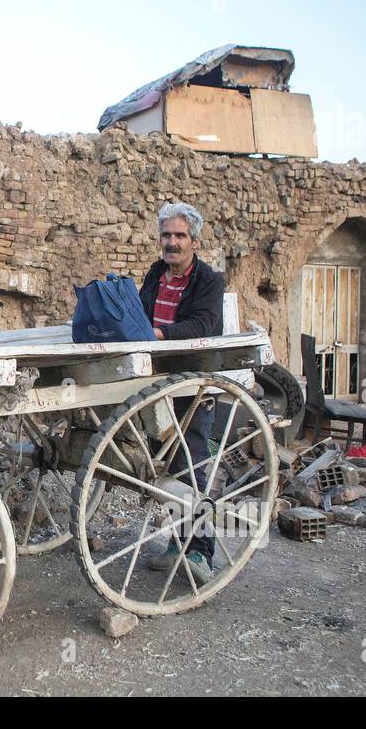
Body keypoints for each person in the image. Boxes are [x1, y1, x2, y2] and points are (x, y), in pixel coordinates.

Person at [137, 201, 224, 584]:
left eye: (180, 236)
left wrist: (159, 334)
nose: (172, 242)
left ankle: (202, 553)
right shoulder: (157, 273)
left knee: (191, 463)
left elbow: (205, 324)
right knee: (167, 462)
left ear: (195, 241)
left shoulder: (209, 281)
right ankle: (177, 546)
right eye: (167, 235)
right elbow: (140, 312)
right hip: (157, 377)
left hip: (192, 379)